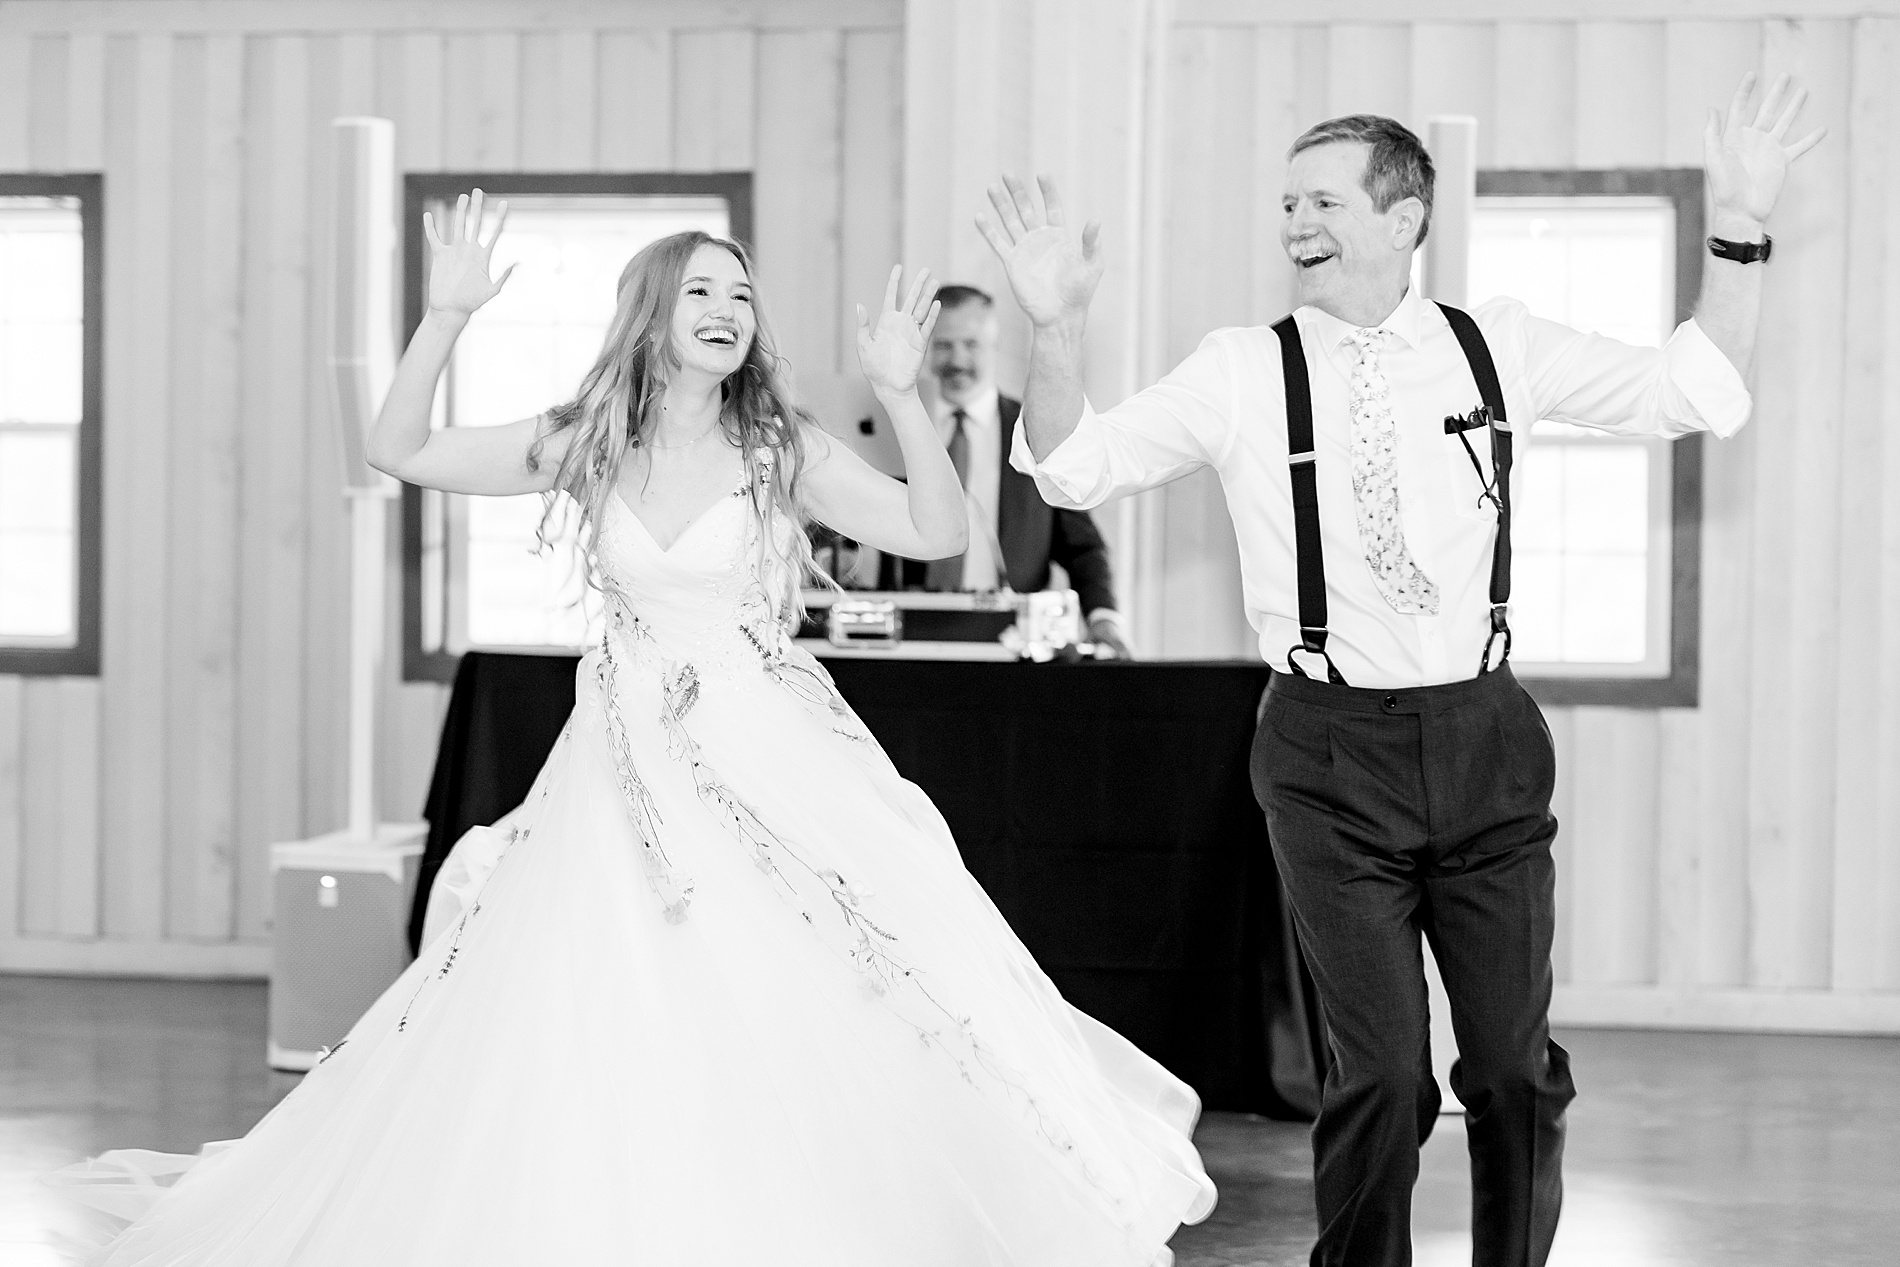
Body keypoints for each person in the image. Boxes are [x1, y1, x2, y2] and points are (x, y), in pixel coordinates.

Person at [56, 194, 1214, 1265]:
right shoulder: (588, 440)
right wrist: (445, 316)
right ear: (654, 314)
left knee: (801, 987)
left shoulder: (779, 447)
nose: (725, 310)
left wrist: (905, 396)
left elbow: (932, 525)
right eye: (702, 290)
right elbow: (397, 448)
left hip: (768, 755)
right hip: (616, 770)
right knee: (603, 996)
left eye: (741, 294)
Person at [979, 74, 1820, 1267]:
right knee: (1376, 1077)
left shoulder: (1500, 346)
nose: (1293, 226)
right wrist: (1055, 329)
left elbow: (1696, 391)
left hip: (1484, 742)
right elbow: (1073, 469)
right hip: (1325, 756)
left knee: (1514, 1075)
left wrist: (1738, 223)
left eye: (1319, 201)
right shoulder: (1239, 369)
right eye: (1283, 205)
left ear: (1401, 217)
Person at [880, 284, 1130, 657]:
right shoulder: (891, 429)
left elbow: (1083, 547)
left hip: (1010, 644)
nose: (958, 359)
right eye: (944, 345)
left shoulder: (1036, 432)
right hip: (908, 640)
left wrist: (1104, 619)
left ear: (994, 345)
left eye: (971, 344)